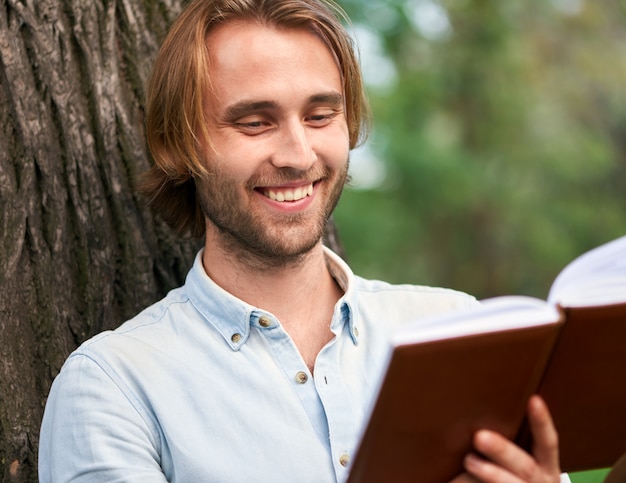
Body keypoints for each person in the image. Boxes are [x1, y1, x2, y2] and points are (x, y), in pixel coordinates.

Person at [38, 0, 564, 481]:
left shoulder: (460, 331)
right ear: (182, 143)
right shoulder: (113, 388)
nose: (298, 154)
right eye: (254, 122)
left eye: (319, 116)